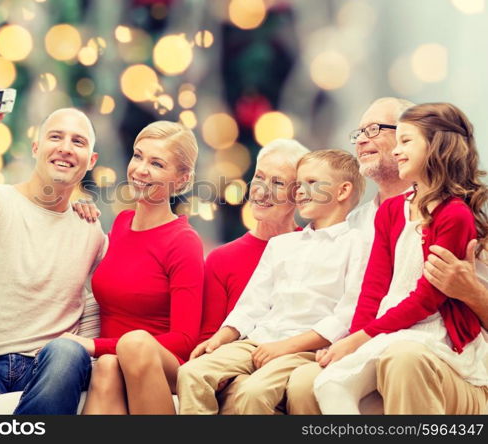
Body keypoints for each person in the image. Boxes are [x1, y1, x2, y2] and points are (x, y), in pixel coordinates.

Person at [288, 98, 488, 415]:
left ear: (435, 146)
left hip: (431, 341)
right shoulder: (364, 220)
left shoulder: (462, 217)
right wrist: (353, 341)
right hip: (381, 331)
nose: (363, 139)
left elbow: (427, 297)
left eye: (376, 130)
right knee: (308, 383)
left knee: (403, 359)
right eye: (359, 131)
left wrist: (473, 292)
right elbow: (372, 289)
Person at [0, 93, 107, 414]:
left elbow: (99, 303)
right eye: (56, 137)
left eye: (78, 141)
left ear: (90, 161)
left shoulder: (91, 230)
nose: (66, 147)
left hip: (49, 365)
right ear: (36, 148)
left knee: (69, 353)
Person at [176, 149, 367, 414]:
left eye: (311, 183)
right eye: (298, 184)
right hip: (258, 340)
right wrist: (222, 337)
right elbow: (252, 304)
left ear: (343, 191)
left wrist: (284, 347)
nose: (299, 191)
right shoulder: (281, 245)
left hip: (303, 349)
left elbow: (346, 316)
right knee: (191, 373)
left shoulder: (358, 244)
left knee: (253, 394)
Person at [66, 121, 204, 415]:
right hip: (111, 361)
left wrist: (93, 346)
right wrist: (73, 210)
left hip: (159, 363)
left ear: (181, 180)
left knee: (132, 345)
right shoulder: (121, 223)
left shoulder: (184, 241)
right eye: (138, 156)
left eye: (156, 163)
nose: (140, 169)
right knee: (107, 367)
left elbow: (184, 340)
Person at [194, 138, 309, 414]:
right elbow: (210, 338)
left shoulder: (316, 249)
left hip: (294, 370)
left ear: (300, 194)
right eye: (259, 177)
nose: (262, 191)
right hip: (237, 375)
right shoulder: (222, 259)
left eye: (278, 183)